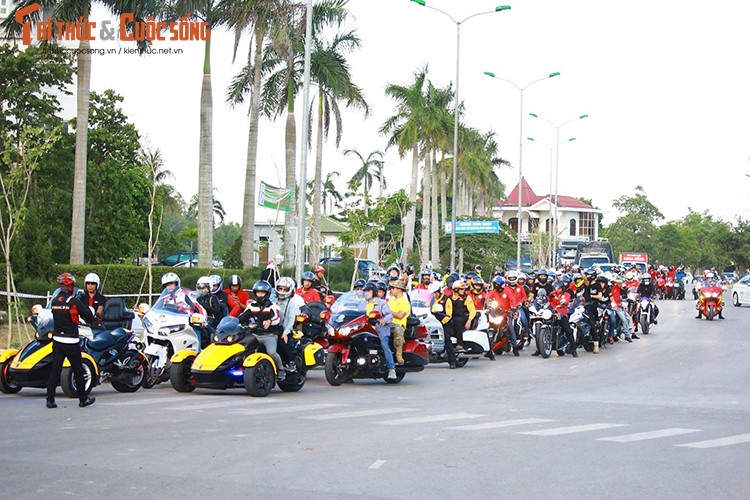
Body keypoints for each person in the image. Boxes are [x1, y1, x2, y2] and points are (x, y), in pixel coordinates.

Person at [45, 273, 97, 409]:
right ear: (70, 286)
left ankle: (50, 400)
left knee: (55, 370)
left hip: (57, 340)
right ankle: (83, 399)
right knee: (78, 370)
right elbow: (88, 316)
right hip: (71, 341)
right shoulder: (74, 301)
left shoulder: (55, 301)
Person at [237, 280, 285, 381]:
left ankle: (281, 370)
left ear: (267, 294)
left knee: (271, 352)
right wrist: (233, 322)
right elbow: (242, 317)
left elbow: (277, 318)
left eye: (262, 293)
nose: (260, 295)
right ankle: (245, 372)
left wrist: (269, 321)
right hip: (254, 335)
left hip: (268, 335)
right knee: (243, 351)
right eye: (258, 293)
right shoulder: (252, 306)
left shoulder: (272, 306)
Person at [363, 282, 397, 379]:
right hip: (366, 330)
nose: (366, 293)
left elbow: (389, 315)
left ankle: (392, 370)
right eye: (365, 291)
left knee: (384, 346)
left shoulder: (381, 303)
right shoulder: (363, 304)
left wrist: (383, 320)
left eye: (368, 291)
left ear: (373, 292)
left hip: (380, 330)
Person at [275, 277, 301, 372]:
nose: (282, 291)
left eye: (285, 289)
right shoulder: (273, 301)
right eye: (280, 288)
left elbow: (291, 320)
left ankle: (290, 361)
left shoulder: (291, 304)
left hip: (284, 330)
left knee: (281, 342)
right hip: (272, 329)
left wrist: (286, 332)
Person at [549, 280, 577, 357]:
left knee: (567, 330)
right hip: (552, 313)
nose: (557, 290)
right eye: (555, 288)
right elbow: (547, 301)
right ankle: (540, 349)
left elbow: (565, 302)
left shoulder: (566, 294)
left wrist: (558, 300)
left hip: (562, 314)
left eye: (558, 288)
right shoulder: (552, 294)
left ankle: (573, 349)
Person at [431, 286, 457, 367]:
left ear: (439, 292)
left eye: (435, 293)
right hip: (432, 322)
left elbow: (448, 315)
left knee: (446, 339)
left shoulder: (447, 300)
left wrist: (441, 324)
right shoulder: (431, 300)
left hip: (445, 323)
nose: (434, 295)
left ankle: (452, 361)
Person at [387, 279, 411, 365]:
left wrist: (389, 311)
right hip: (387, 323)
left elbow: (400, 315)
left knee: (398, 330)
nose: (391, 290)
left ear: (399, 289)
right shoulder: (391, 300)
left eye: (393, 288)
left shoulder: (404, 302)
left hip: (397, 324)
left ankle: (398, 353)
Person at [449, 279, 476, 352]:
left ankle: (460, 343)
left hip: (463, 317)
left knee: (457, 321)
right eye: (461, 289)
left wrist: (469, 320)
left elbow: (472, 310)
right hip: (451, 316)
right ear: (456, 289)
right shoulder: (450, 298)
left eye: (464, 289)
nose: (463, 291)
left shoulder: (466, 298)